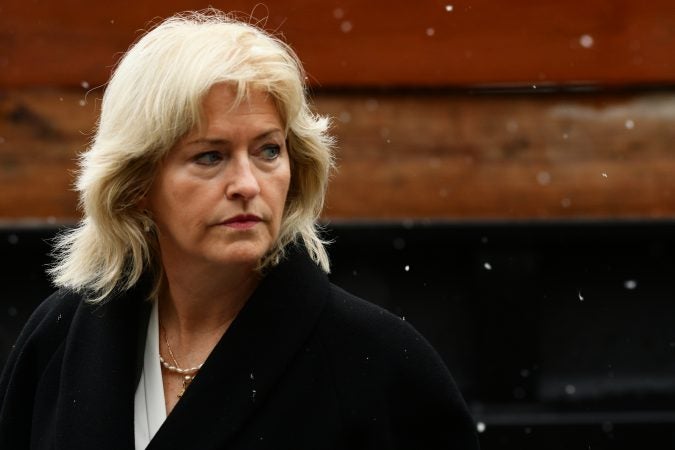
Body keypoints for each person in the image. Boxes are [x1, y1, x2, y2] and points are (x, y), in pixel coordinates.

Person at [0, 9, 479, 450]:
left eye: (269, 150)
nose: (248, 185)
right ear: (136, 184)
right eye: (210, 156)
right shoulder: (61, 340)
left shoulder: (378, 361)